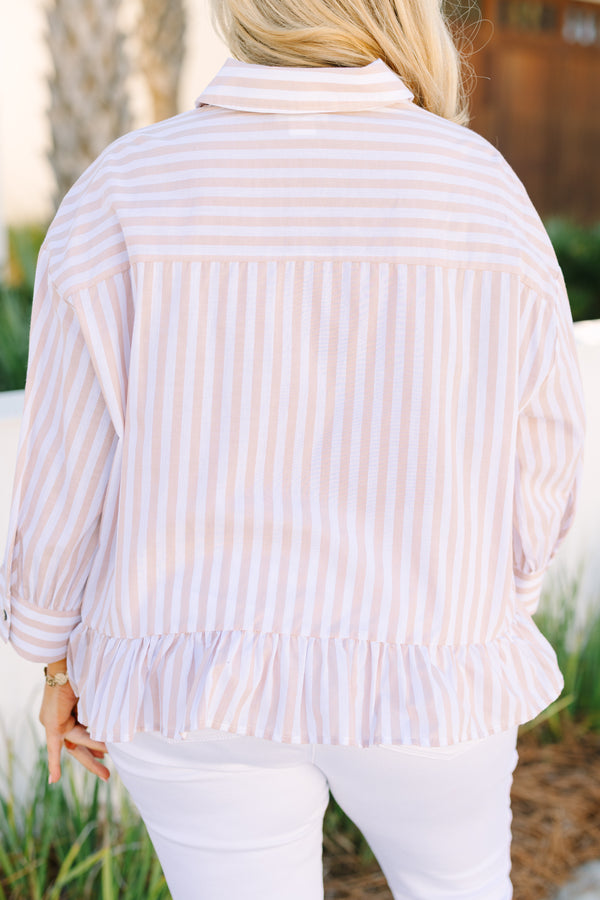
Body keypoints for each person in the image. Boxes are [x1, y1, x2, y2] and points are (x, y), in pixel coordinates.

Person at [0, 0, 587, 896]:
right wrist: (489, 602)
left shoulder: (125, 187)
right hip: (432, 658)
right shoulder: (477, 185)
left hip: (186, 675)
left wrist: (52, 651)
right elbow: (545, 449)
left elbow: (65, 466)